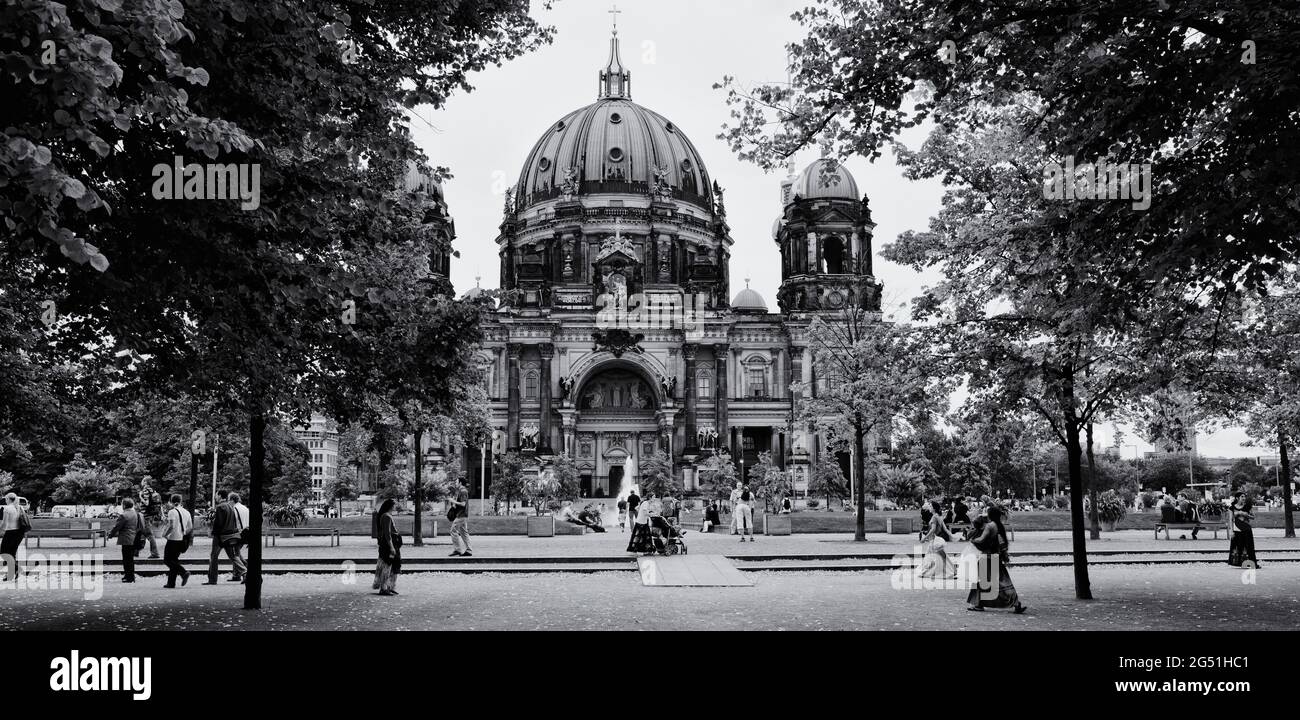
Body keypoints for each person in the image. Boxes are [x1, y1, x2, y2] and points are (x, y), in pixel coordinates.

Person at [966, 507, 1026, 613]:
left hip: (986, 557)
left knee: (982, 581)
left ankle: (978, 604)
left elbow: (982, 539)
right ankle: (1016, 603)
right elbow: (1001, 541)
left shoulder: (990, 526)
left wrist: (972, 539)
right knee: (1003, 581)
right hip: (996, 556)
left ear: (990, 514)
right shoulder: (999, 525)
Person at [203, 493, 246, 585]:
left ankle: (212, 579)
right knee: (233, 556)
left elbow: (218, 523)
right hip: (230, 535)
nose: (215, 497)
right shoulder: (230, 507)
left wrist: (214, 533)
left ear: (220, 496)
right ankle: (244, 572)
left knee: (214, 556)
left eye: (216, 495)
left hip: (220, 536)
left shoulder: (220, 507)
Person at [108, 498, 147, 583]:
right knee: (131, 559)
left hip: (126, 539)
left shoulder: (124, 515)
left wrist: (110, 535)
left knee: (126, 559)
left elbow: (117, 527)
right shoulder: (138, 514)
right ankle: (130, 575)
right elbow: (143, 527)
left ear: (124, 505)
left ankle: (129, 577)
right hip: (135, 538)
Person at [161, 494, 193, 589]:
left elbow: (171, 526)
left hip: (173, 539)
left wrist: (165, 534)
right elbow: (190, 527)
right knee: (174, 560)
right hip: (181, 539)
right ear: (180, 501)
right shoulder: (187, 512)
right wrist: (183, 533)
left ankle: (183, 572)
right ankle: (171, 583)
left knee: (167, 560)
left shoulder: (172, 512)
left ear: (171, 501)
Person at [919, 500, 957, 579]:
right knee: (940, 556)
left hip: (934, 540)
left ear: (934, 508)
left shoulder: (934, 517)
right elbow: (945, 529)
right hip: (937, 539)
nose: (929, 507)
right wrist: (952, 536)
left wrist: (924, 538)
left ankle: (926, 572)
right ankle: (952, 570)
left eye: (930, 506)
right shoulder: (939, 516)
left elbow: (933, 529)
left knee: (932, 557)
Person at [373, 499, 402, 596]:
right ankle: (384, 588)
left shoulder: (386, 516)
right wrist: (391, 547)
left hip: (392, 542)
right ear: (390, 506)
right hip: (389, 544)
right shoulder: (386, 516)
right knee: (387, 565)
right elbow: (387, 533)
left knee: (393, 565)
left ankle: (389, 586)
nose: (395, 507)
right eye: (394, 505)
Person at [1227, 493, 1260, 569]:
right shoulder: (1231, 508)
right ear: (1237, 498)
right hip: (1236, 529)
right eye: (1242, 497)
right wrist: (1231, 531)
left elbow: (1253, 517)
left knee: (1249, 547)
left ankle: (1251, 564)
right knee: (1237, 546)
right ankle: (1238, 563)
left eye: (1245, 496)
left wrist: (1246, 515)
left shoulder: (1247, 507)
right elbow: (1230, 520)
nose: (1244, 498)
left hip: (1246, 529)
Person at [448, 478, 472, 557]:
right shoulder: (460, 491)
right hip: (461, 514)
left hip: (461, 515)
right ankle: (469, 550)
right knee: (464, 533)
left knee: (453, 530)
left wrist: (453, 501)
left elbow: (463, 504)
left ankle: (457, 550)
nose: (455, 483)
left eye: (456, 482)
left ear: (460, 482)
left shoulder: (463, 491)